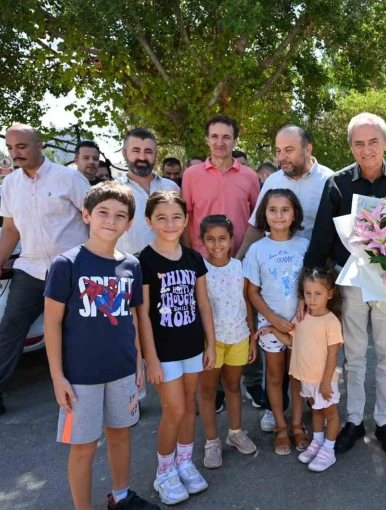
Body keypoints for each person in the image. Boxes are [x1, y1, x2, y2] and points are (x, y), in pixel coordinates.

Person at [305, 112, 386, 456]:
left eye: (373, 141)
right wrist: (310, 284)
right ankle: (354, 420)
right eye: (359, 143)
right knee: (354, 356)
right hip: (352, 283)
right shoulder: (338, 183)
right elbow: (322, 236)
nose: (366, 149)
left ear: (385, 143)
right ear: (351, 147)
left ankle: (385, 422)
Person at [43, 182, 159, 510]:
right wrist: (57, 377)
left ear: (129, 224)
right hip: (80, 378)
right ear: (86, 215)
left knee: (121, 434)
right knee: (84, 447)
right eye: (103, 212)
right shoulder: (67, 264)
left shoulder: (131, 265)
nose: (111, 220)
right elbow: (52, 324)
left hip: (122, 371)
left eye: (120, 215)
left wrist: (138, 362)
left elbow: (133, 318)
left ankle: (121, 497)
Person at [0, 124, 90, 422]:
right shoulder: (10, 184)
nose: (15, 153)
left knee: (80, 332)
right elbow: (10, 228)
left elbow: (95, 218)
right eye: (10, 148)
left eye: (22, 146)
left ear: (40, 145)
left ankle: (86, 393)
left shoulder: (69, 178)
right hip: (29, 270)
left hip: (71, 270)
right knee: (10, 331)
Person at [236, 125, 333, 429]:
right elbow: (255, 226)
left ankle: (312, 410)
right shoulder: (274, 181)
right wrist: (236, 263)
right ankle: (275, 413)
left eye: (289, 150)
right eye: (278, 151)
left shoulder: (329, 180)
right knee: (275, 370)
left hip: (312, 289)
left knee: (307, 362)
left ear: (308, 149)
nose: (282, 157)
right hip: (274, 299)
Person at [137, 191, 216, 505]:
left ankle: (184, 462)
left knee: (189, 406)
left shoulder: (194, 258)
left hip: (193, 347)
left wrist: (210, 344)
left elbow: (203, 303)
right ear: (149, 222)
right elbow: (142, 313)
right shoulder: (144, 261)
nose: (170, 224)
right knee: (174, 410)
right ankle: (164, 471)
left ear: (185, 221)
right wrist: (151, 358)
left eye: (176, 217)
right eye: (161, 218)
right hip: (164, 352)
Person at [256, 267, 344, 472]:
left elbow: (333, 355)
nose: (312, 299)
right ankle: (317, 442)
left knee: (330, 413)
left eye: (318, 294)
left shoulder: (331, 322)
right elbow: (291, 341)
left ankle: (329, 450)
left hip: (324, 380)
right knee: (316, 411)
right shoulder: (302, 317)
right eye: (308, 293)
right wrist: (272, 330)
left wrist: (325, 382)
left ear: (330, 294)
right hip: (307, 378)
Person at [245, 189, 310, 455]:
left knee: (297, 376)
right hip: (270, 324)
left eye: (285, 210)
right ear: (264, 213)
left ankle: (297, 424)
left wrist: (301, 308)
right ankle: (280, 426)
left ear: (294, 214)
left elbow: (310, 284)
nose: (279, 215)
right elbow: (252, 292)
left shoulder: (304, 246)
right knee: (274, 375)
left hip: (301, 324)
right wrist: (273, 319)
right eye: (273, 210)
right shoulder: (257, 249)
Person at [197, 215, 258, 469]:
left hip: (238, 336)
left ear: (232, 240)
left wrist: (252, 337)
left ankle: (235, 432)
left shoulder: (239, 268)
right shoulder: (199, 269)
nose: (217, 244)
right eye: (210, 239)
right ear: (202, 241)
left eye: (222, 238)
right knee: (208, 390)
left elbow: (246, 303)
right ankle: (212, 441)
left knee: (233, 385)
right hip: (210, 341)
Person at [182, 115, 260, 258]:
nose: (220, 142)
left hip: (240, 258)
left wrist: (243, 255)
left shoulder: (250, 176)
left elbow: (257, 219)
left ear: (235, 141)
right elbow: (186, 218)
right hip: (202, 259)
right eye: (214, 136)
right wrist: (189, 256)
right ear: (207, 140)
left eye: (226, 137)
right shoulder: (191, 175)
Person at [115, 128, 180, 256]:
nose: (142, 157)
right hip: (128, 265)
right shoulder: (113, 190)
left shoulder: (172, 188)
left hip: (169, 262)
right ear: (124, 153)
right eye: (136, 151)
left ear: (156, 154)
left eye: (148, 151)